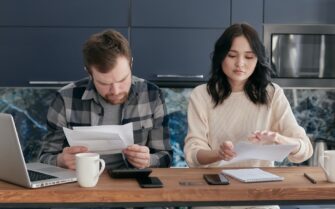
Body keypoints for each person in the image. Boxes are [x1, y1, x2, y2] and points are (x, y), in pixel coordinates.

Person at [183, 23, 313, 209]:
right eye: (232, 55)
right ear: (221, 57)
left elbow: (305, 148)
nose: (240, 64)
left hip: (261, 197)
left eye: (249, 57)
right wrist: (218, 154)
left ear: (257, 59)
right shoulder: (201, 95)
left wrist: (279, 139)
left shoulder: (273, 94)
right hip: (213, 195)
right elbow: (193, 154)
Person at [39, 29, 172, 170]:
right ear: (89, 72)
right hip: (80, 185)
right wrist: (61, 160)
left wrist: (149, 160)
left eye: (122, 79)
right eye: (104, 83)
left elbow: (165, 157)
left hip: (134, 185)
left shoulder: (152, 95)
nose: (116, 91)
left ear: (131, 64)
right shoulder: (65, 99)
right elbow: (44, 158)